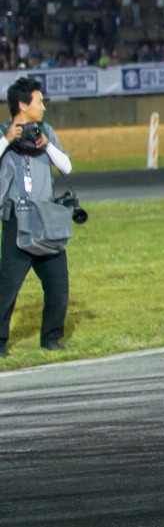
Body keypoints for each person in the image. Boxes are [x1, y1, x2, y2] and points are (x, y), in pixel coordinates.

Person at [0, 77, 73, 355]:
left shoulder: (46, 131)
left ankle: (51, 339)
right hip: (16, 222)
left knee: (58, 285)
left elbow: (67, 167)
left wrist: (47, 146)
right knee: (7, 289)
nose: (43, 106)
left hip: (46, 220)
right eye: (39, 101)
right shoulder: (3, 133)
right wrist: (7, 140)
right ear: (22, 105)